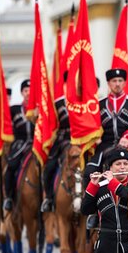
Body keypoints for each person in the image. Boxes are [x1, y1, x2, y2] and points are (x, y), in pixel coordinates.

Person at [68, 67, 128, 215]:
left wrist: (127, 136)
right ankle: (93, 213)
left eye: (120, 81)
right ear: (108, 83)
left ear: (125, 83)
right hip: (105, 145)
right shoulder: (98, 104)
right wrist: (95, 135)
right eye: (114, 81)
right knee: (89, 171)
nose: (117, 84)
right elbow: (92, 124)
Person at [40, 74, 72, 213]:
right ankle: (50, 199)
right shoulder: (57, 103)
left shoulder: (86, 100)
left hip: (84, 142)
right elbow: (51, 124)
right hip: (63, 140)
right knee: (49, 167)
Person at [3, 80, 34, 212]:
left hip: (35, 144)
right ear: (22, 93)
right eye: (25, 90)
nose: (28, 93)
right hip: (20, 145)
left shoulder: (39, 109)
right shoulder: (14, 110)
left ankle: (48, 197)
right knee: (11, 166)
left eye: (30, 90)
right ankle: (9, 198)